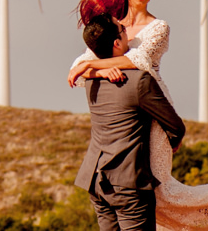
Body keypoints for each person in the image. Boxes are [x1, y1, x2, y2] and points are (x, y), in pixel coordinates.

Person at [69, 0, 208, 231]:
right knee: (140, 189)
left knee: (160, 189)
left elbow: (137, 61)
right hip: (128, 104)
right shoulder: (112, 25)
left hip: (153, 107)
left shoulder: (158, 27)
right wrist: (97, 70)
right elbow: (76, 72)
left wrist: (91, 65)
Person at [76, 13, 186, 231]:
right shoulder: (139, 81)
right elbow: (175, 126)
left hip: (95, 179)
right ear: (117, 43)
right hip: (128, 183)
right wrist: (173, 141)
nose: (129, 32)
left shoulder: (91, 80)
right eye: (123, 29)